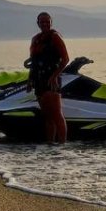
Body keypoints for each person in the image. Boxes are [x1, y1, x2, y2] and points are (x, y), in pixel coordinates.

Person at [27, 12, 69, 144]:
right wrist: (29, 80)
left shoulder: (55, 37)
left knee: (57, 115)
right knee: (47, 116)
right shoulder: (35, 39)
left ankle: (62, 145)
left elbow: (65, 59)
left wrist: (54, 76)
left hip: (52, 79)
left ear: (51, 22)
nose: (44, 24)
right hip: (38, 80)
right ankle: (50, 145)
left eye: (47, 21)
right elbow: (33, 63)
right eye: (42, 22)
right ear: (37, 23)